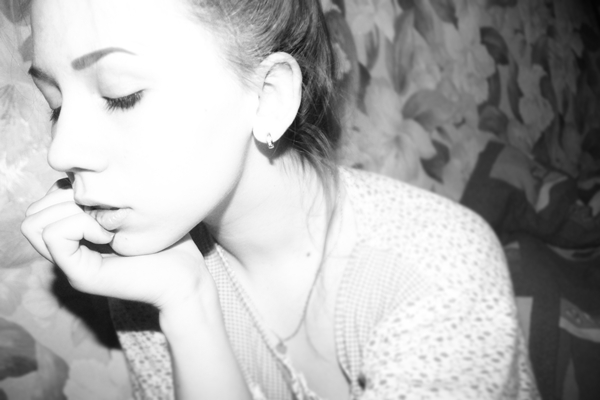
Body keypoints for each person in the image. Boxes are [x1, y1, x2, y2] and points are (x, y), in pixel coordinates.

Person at [20, 0, 539, 398]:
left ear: (269, 96)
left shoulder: (438, 263)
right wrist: (187, 307)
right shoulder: (149, 276)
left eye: (120, 95)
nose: (61, 150)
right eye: (55, 103)